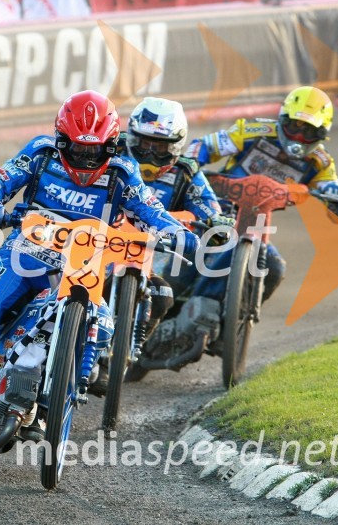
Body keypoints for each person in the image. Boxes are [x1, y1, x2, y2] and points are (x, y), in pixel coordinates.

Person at [0, 90, 199, 456]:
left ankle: (50, 403)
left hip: (81, 271)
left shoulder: (123, 173)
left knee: (103, 327)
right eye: (76, 149)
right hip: (22, 258)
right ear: (60, 138)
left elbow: (151, 209)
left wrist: (179, 235)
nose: (85, 158)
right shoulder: (40, 152)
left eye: (95, 150)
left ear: (112, 145)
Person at [91, 97, 234, 381]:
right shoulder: (109, 154)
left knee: (162, 295)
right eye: (144, 145)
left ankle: (135, 346)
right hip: (99, 243)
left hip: (156, 255)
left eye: (160, 148)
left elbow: (208, 204)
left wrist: (216, 220)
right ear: (132, 137)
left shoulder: (186, 171)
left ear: (176, 146)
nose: (150, 155)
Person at [186, 85, 338, 305]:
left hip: (258, 223)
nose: (298, 136)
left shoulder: (321, 163)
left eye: (308, 131)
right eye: (294, 126)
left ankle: (236, 318)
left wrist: (337, 199)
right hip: (218, 208)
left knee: (274, 269)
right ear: (282, 119)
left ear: (322, 133)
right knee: (193, 248)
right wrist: (192, 165)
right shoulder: (252, 130)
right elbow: (204, 146)